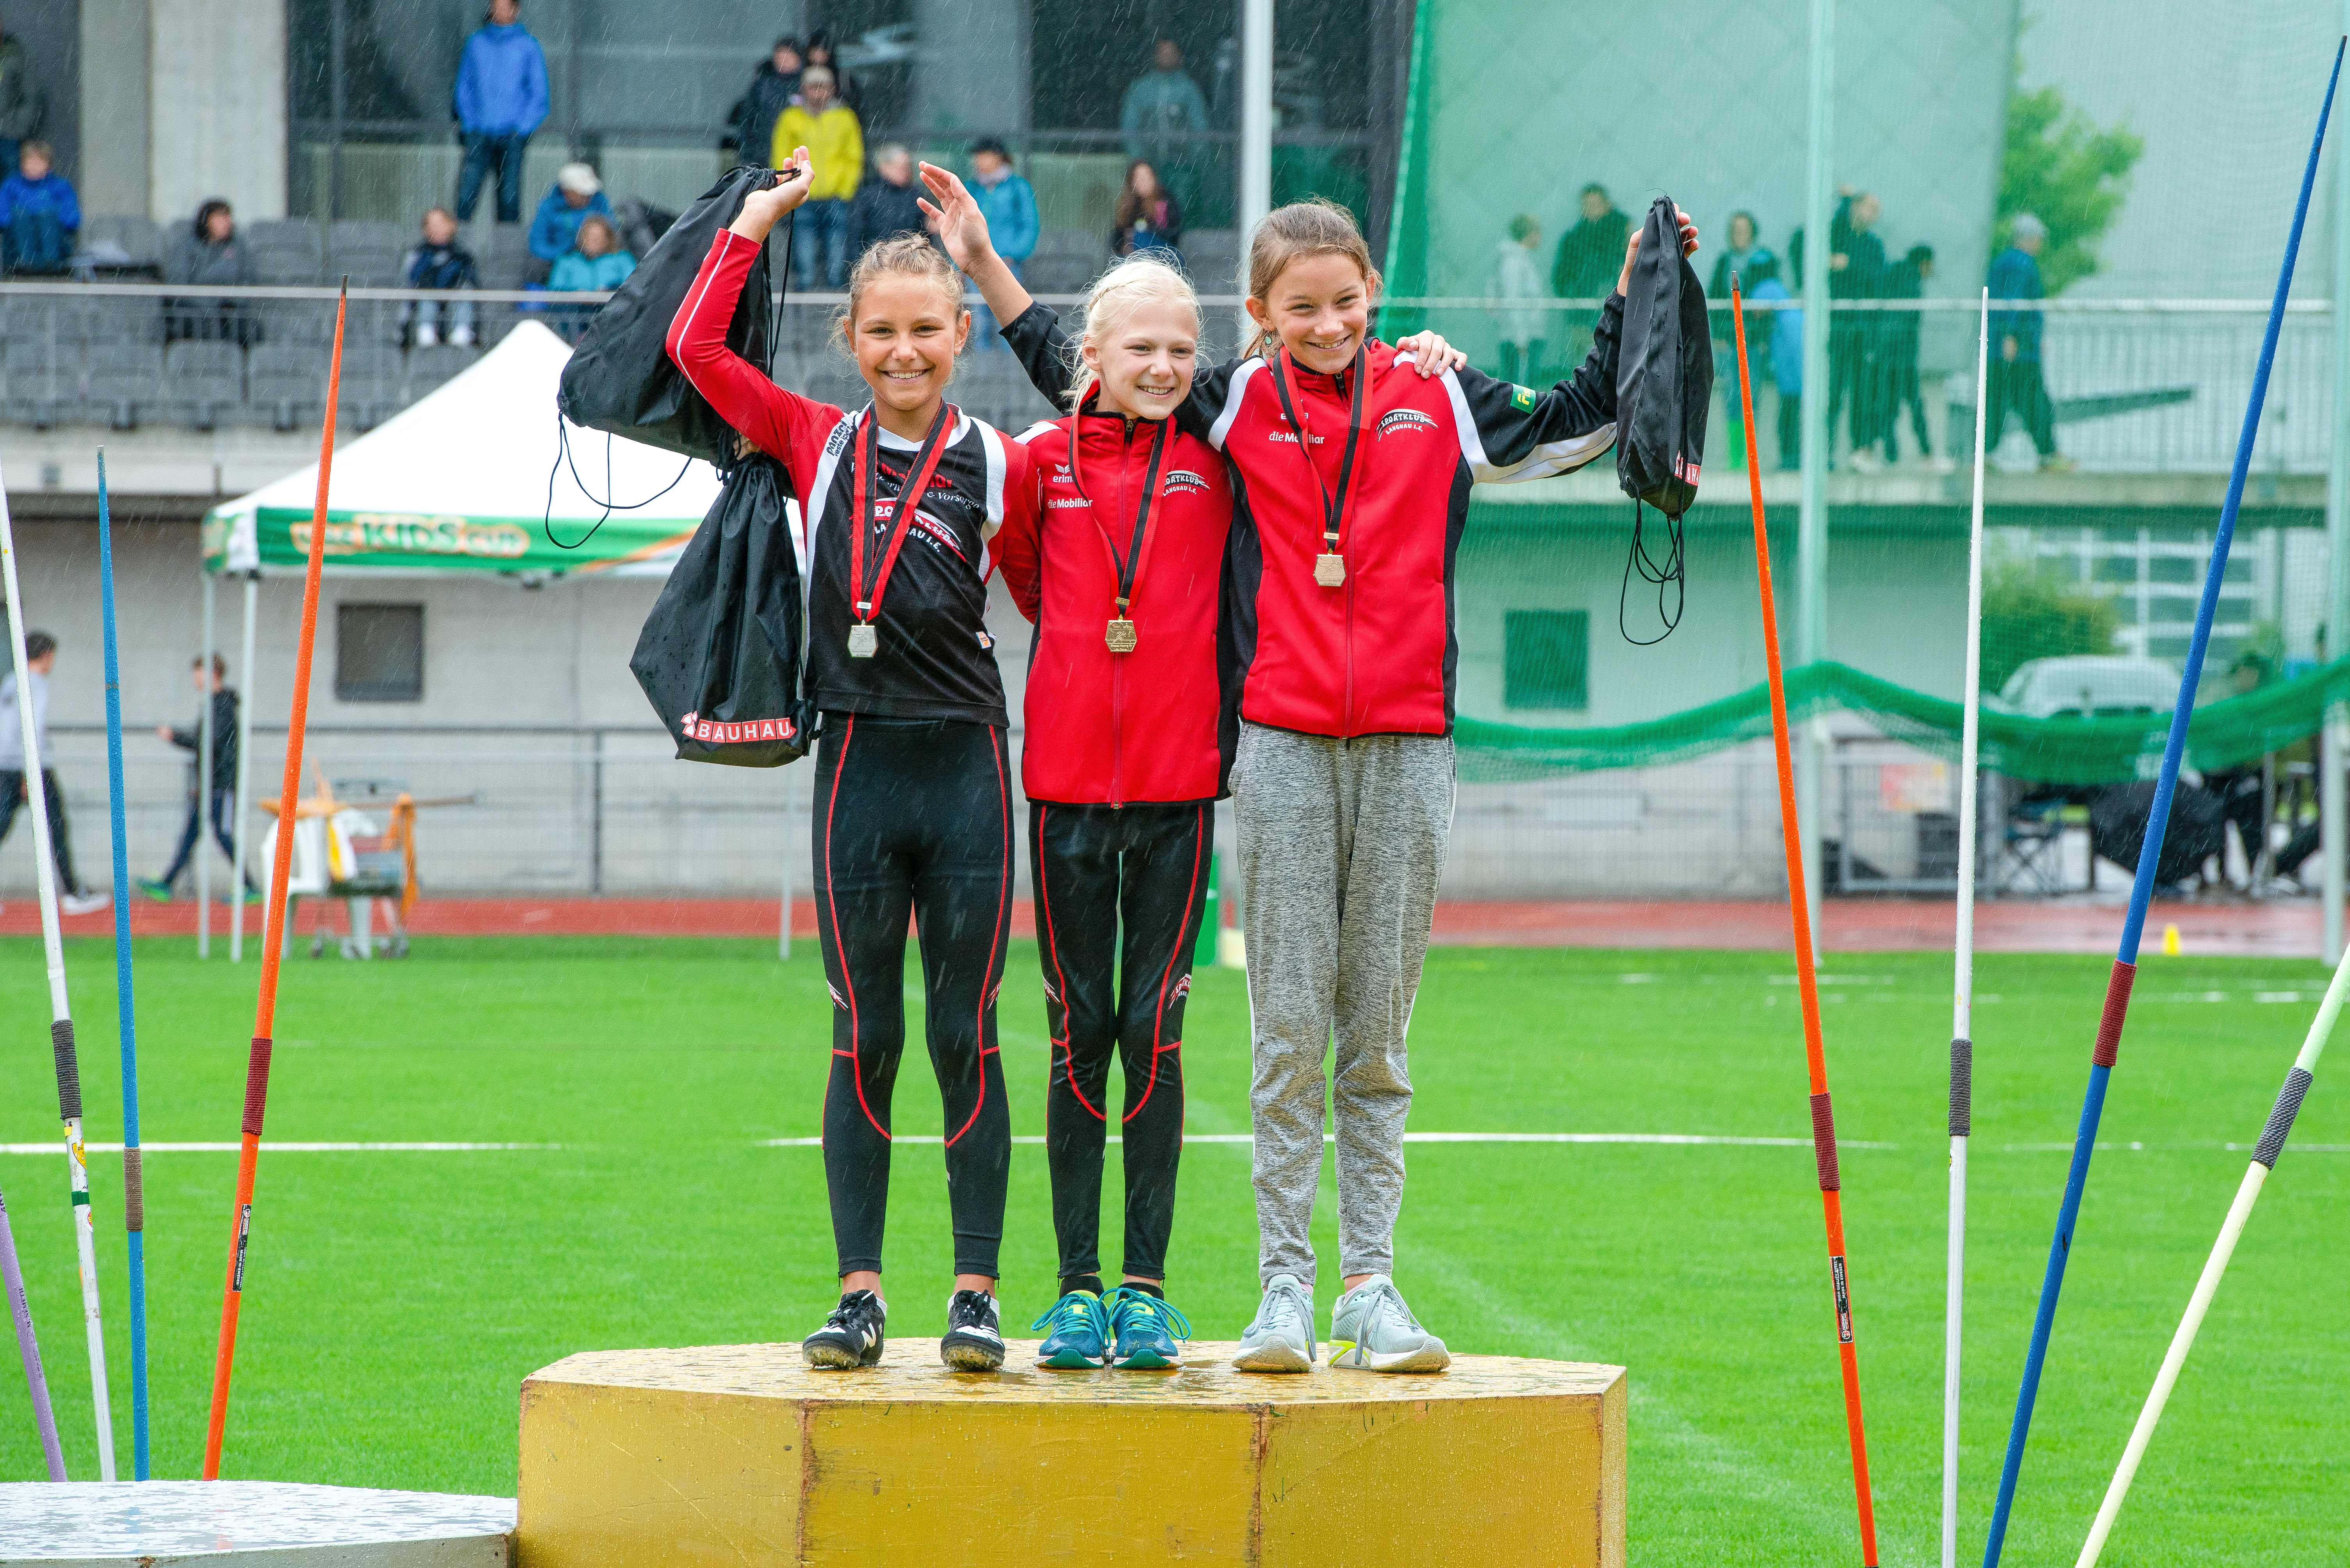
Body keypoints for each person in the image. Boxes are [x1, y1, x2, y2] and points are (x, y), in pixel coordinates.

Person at [928, 162, 1689, 1375]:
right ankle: (1281, 1290)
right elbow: (1088, 360)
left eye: (1345, 303)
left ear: (1372, 294)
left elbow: (1580, 419)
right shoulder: (1224, 407)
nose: (1327, 326)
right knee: (1285, 1033)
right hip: (1276, 748)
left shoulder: (1437, 400)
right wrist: (981, 263)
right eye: (1300, 309)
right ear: (1261, 316)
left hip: (1405, 747)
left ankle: (1369, 1287)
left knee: (1374, 1038)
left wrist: (1631, 284)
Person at [667, 158, 1038, 1374]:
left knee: (962, 1030)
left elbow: (1048, 588)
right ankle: (861, 1294)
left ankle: (974, 1293)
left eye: (926, 329)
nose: (904, 351)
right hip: (855, 773)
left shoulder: (1008, 462)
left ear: (959, 334)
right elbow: (696, 355)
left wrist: (985, 255)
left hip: (970, 770)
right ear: (850, 337)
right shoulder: (815, 440)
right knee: (861, 1031)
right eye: (881, 331)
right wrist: (753, 222)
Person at [992, 257, 1229, 1372]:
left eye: (1182, 349)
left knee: (1158, 1034)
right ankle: (1076, 1291)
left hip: (1183, 786)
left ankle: (1147, 1290)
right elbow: (1032, 585)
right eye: (1140, 348)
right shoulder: (1039, 465)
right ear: (1089, 357)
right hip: (1068, 787)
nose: (1164, 367)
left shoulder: (1216, 460)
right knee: (1079, 1035)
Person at [0, 633, 108, 916]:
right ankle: (74, 892)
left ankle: (74, 890)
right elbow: (30, 727)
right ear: (47, 655)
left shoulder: (12, 681)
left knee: (3, 826)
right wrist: (29, 771)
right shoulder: (36, 684)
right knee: (57, 827)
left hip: (6, 765)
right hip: (31, 767)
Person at [139, 656, 256, 904]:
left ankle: (251, 887)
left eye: (198, 673)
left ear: (213, 674)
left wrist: (175, 737)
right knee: (191, 833)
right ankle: (166, 883)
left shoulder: (222, 705)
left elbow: (208, 744)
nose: (195, 679)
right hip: (210, 785)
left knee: (223, 834)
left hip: (221, 785)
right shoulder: (214, 704)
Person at [1988, 212, 2072, 472]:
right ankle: (2048, 455)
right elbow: (2016, 302)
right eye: (2038, 239)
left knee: (1996, 401)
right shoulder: (2022, 264)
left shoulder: (2002, 261)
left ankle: (1985, 456)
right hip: (2021, 350)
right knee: (2036, 402)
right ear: (2029, 239)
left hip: (2001, 347)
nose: (2040, 245)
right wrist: (2012, 336)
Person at [453, 0, 549, 226]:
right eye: (496, 6)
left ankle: (507, 258)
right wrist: (470, 123)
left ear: (516, 10)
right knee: (465, 199)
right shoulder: (476, 43)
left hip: (512, 137)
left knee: (509, 200)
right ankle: (455, 255)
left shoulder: (528, 46)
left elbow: (539, 95)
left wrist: (521, 129)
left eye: (506, 6)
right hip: (479, 134)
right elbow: (464, 88)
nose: (501, 11)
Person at [777, 66, 863, 290]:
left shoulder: (845, 117)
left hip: (836, 197)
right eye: (813, 87)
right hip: (803, 195)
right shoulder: (790, 118)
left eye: (822, 87)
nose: (818, 93)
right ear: (804, 90)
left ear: (832, 89)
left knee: (837, 265)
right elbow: (781, 155)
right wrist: (791, 186)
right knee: (804, 264)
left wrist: (845, 189)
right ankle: (803, 318)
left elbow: (854, 157)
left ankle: (833, 314)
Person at [1871, 243, 1951, 473]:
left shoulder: (1894, 277)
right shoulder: (1910, 282)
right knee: (1913, 404)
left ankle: (1891, 452)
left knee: (1889, 404)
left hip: (1887, 352)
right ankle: (1926, 453)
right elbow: (1905, 319)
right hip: (1901, 353)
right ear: (1924, 263)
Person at [1826, 190, 1886, 467]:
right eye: (1869, 208)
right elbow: (1836, 228)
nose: (1873, 216)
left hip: (1863, 331)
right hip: (1839, 329)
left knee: (1863, 391)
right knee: (1833, 391)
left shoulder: (1873, 246)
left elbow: (1878, 277)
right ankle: (1824, 451)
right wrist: (1846, 201)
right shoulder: (1839, 236)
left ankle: (1861, 449)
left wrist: (1849, 265)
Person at [1119, 37, 1209, 212]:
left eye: (1171, 53)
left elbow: (1200, 129)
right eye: (1162, 52)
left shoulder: (1189, 90)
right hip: (1149, 165)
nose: (1166, 56)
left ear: (1179, 57)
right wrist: (1138, 162)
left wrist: (1193, 161)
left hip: (1181, 167)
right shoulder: (1141, 89)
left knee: (1179, 212)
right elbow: (1129, 128)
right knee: (1145, 211)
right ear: (1155, 57)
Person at [965, 138, 1035, 352]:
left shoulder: (1018, 187)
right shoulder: (970, 188)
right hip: (975, 266)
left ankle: (1010, 381)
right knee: (979, 327)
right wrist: (959, 263)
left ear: (998, 158)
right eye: (977, 156)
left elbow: (1029, 225)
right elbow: (960, 226)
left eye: (984, 155)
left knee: (1009, 323)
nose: (979, 161)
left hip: (1007, 265)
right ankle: (982, 379)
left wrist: (1014, 254)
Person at [1706, 210, 1761, 472]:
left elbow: (1767, 303)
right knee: (1733, 398)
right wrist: (1717, 336)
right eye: (1736, 229)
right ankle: (1736, 458)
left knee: (1752, 397)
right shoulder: (1723, 263)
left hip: (1753, 343)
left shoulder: (1763, 262)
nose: (1740, 235)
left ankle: (1751, 457)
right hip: (1729, 341)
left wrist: (1761, 339)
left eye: (1744, 229)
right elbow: (1714, 299)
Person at [1550, 183, 1629, 362]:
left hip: (1614, 306)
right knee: (1583, 357)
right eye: (1587, 205)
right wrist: (1571, 297)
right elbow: (1561, 276)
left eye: (1595, 204)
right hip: (1582, 310)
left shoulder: (1621, 231)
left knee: (1612, 357)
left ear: (1606, 204)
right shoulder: (1574, 238)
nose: (1591, 210)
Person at [164, 199, 255, 343]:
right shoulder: (185, 244)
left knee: (246, 325)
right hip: (194, 313)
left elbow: (247, 280)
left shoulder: (238, 245)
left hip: (230, 314)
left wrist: (230, 301)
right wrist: (209, 303)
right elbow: (178, 283)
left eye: (228, 217)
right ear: (206, 220)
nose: (227, 222)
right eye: (220, 217)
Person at [1744, 251, 1801, 470]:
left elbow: (1754, 314)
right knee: (1796, 409)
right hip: (1796, 357)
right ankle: (1795, 454)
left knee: (1789, 409)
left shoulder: (1766, 288)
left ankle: (1789, 455)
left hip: (1789, 358)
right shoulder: (1780, 290)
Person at [401, 205, 479, 347]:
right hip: (424, 308)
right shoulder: (416, 256)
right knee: (426, 295)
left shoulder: (464, 256)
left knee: (465, 291)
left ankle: (461, 333)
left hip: (456, 305)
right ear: (425, 230)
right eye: (431, 225)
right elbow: (410, 286)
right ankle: (426, 333)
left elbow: (471, 283)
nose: (436, 229)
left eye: (441, 224)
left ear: (452, 225)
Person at [0, 139, 78, 276]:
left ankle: (51, 261)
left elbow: (71, 218)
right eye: (29, 162)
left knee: (47, 215)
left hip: (54, 248)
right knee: (19, 214)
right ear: (22, 164)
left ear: (49, 164)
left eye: (39, 162)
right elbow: (3, 216)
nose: (34, 167)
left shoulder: (60, 186)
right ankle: (26, 261)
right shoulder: (11, 185)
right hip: (19, 251)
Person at [527, 162, 613, 283]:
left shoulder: (599, 201)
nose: (587, 196)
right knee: (536, 267)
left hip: (600, 259)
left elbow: (612, 232)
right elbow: (538, 244)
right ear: (567, 191)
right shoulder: (548, 207)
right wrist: (563, 254)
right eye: (582, 192)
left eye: (589, 192)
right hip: (558, 262)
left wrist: (595, 249)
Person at [1486, 212, 1546, 385]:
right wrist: (1520, 338)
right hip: (1520, 339)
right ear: (1529, 234)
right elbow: (1513, 301)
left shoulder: (1521, 260)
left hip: (1526, 335)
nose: (1541, 237)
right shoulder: (1512, 262)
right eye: (1538, 232)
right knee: (1519, 389)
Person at [721, 35, 801, 162]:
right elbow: (746, 119)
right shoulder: (762, 85)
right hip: (763, 155)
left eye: (788, 54)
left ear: (798, 58)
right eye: (780, 54)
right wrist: (749, 152)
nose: (783, 59)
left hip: (794, 155)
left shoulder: (807, 84)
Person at [846, 144, 929, 265]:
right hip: (877, 261)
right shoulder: (869, 194)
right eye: (900, 167)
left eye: (908, 168)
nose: (906, 172)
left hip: (909, 262)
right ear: (884, 167)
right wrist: (855, 265)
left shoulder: (916, 194)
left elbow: (925, 233)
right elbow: (856, 233)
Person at [1109, 159, 1183, 263]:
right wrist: (1126, 242)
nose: (1144, 182)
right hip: (1135, 258)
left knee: (1139, 237)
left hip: (1166, 256)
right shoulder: (1129, 205)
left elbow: (1173, 233)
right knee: (1119, 261)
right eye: (1139, 179)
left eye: (1148, 177)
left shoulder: (1165, 199)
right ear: (1132, 182)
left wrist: (1145, 232)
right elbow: (1117, 238)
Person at [548, 214, 635, 291]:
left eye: (599, 237)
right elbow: (555, 291)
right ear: (582, 239)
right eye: (590, 237)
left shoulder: (622, 259)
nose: (594, 241)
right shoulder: (566, 261)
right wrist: (576, 293)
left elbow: (634, 285)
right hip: (575, 308)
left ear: (608, 239)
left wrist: (611, 289)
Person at [0, 18, 39, 179]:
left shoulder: (14, 57)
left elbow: (32, 96)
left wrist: (17, 126)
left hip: (8, 136)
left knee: (12, 185)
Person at [803, 33, 861, 114]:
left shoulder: (843, 79)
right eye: (815, 51)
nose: (818, 56)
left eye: (822, 51)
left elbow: (855, 107)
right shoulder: (801, 77)